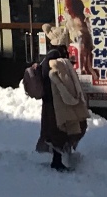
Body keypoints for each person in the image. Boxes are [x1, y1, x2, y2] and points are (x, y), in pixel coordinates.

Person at [23, 25, 89, 171]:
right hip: (56, 103)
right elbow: (61, 81)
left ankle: (59, 160)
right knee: (60, 131)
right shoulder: (55, 59)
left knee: (57, 131)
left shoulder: (48, 57)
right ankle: (57, 162)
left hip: (50, 103)